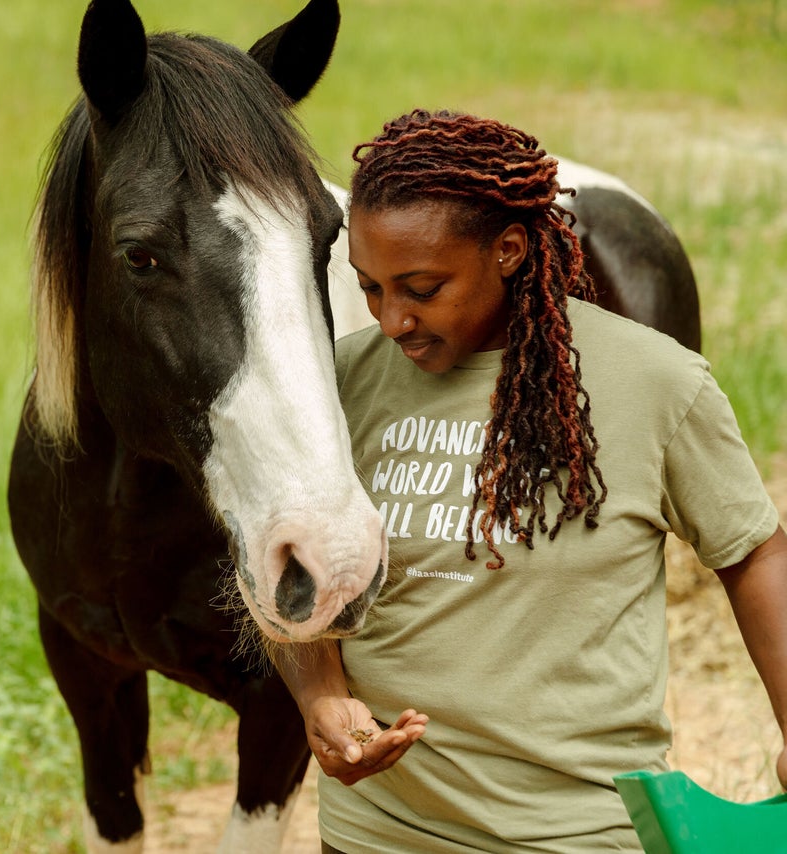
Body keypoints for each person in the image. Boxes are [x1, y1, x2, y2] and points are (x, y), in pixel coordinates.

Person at [273, 109, 787, 852]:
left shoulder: (654, 383)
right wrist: (320, 694)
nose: (392, 321)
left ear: (509, 249)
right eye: (370, 287)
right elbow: (295, 567)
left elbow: (756, 554)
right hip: (374, 833)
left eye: (420, 288)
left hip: (574, 833)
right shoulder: (347, 382)